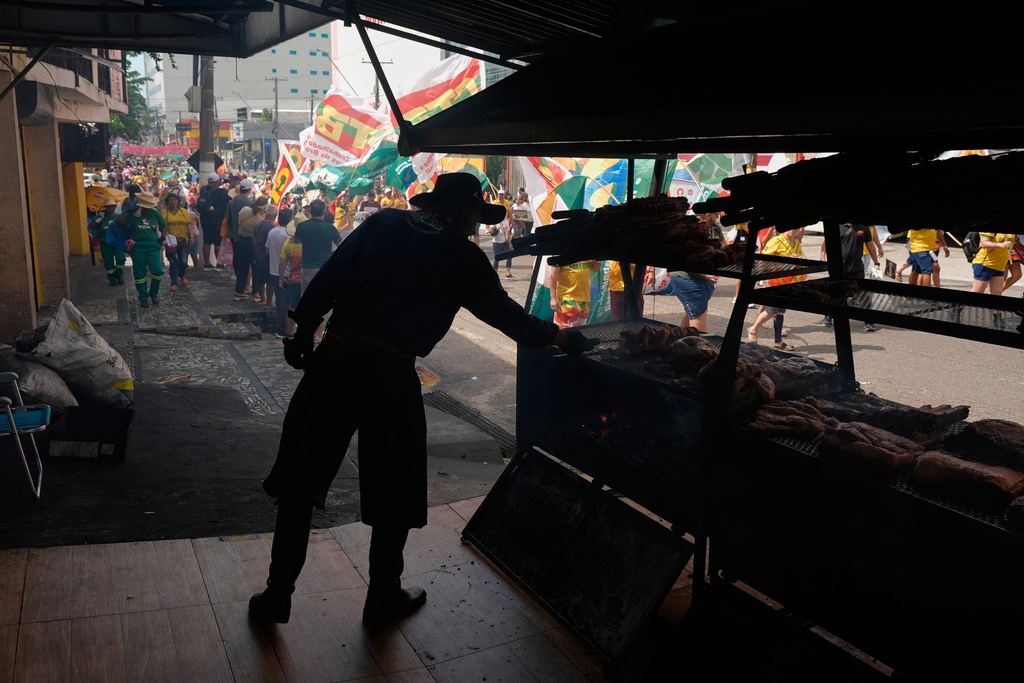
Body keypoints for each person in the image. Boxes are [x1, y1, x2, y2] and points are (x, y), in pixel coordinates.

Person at [247, 172, 591, 627]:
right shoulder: (462, 256)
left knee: (300, 479)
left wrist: (302, 333)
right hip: (391, 375)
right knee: (394, 486)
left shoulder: (382, 224)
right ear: (466, 210)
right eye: (477, 216)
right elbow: (509, 319)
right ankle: (383, 595)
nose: (477, 227)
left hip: (336, 361)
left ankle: (277, 595)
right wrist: (561, 338)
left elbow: (331, 276)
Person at [747, 226, 806, 350]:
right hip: (773, 282)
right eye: (791, 228)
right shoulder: (776, 241)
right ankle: (753, 329)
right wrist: (763, 280)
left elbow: (801, 260)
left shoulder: (796, 244)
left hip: (787, 283)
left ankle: (778, 341)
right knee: (772, 310)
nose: (793, 230)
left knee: (780, 312)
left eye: (795, 229)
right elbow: (763, 259)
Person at [819, 223, 879, 331]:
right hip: (838, 267)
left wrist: (876, 262)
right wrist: (822, 255)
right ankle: (828, 316)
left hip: (857, 268)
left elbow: (870, 244)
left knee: (863, 293)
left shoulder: (863, 227)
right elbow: (827, 242)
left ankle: (869, 321)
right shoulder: (837, 227)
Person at [115, 191, 166, 308]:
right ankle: (143, 298)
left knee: (158, 271)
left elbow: (164, 224)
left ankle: (154, 293)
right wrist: (128, 212)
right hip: (137, 248)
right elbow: (119, 222)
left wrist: (162, 236)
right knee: (139, 274)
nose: (149, 208)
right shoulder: (133, 214)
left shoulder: (154, 213)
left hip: (153, 246)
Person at [549, 260, 600, 328]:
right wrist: (553, 297)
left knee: (580, 331)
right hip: (566, 300)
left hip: (584, 300)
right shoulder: (562, 252)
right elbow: (553, 275)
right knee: (563, 332)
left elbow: (594, 269)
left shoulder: (588, 252)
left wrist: (596, 265)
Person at [233, 197, 265, 301]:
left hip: (241, 242)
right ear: (263, 209)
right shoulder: (259, 220)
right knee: (256, 269)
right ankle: (256, 293)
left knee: (242, 268)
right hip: (253, 244)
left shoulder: (244, 210)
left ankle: (239, 292)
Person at [267, 208, 293, 336]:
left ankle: (280, 325)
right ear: (290, 220)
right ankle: (282, 329)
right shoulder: (288, 236)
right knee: (285, 302)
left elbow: (267, 250)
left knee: (279, 301)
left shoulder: (272, 232)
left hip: (273, 271)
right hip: (285, 273)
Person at [89, 198, 125, 286]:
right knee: (108, 262)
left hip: (117, 243)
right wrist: (99, 219)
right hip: (105, 243)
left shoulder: (118, 217)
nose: (110, 209)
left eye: (112, 207)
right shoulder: (101, 217)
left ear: (115, 207)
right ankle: (112, 279)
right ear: (105, 207)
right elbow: (93, 226)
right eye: (108, 207)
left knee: (121, 259)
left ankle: (119, 274)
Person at [196, 173, 229, 268]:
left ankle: (206, 263)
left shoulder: (203, 189)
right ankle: (219, 263)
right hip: (216, 219)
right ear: (217, 181)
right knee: (217, 242)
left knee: (207, 241)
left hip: (204, 219)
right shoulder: (220, 192)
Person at [161, 193, 192, 291]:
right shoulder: (165, 212)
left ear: (178, 201)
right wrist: (162, 237)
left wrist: (191, 236)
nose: (173, 202)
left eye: (175, 200)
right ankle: (173, 282)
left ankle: (181, 275)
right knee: (173, 262)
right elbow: (164, 225)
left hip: (182, 240)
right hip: (171, 241)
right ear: (167, 202)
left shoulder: (183, 212)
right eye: (170, 200)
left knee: (183, 262)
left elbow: (188, 225)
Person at [253, 204, 278, 309]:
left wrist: (255, 252)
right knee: (269, 281)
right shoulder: (272, 227)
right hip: (267, 255)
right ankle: (269, 302)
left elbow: (254, 240)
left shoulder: (258, 224)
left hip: (258, 254)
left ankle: (262, 299)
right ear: (275, 215)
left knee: (260, 279)